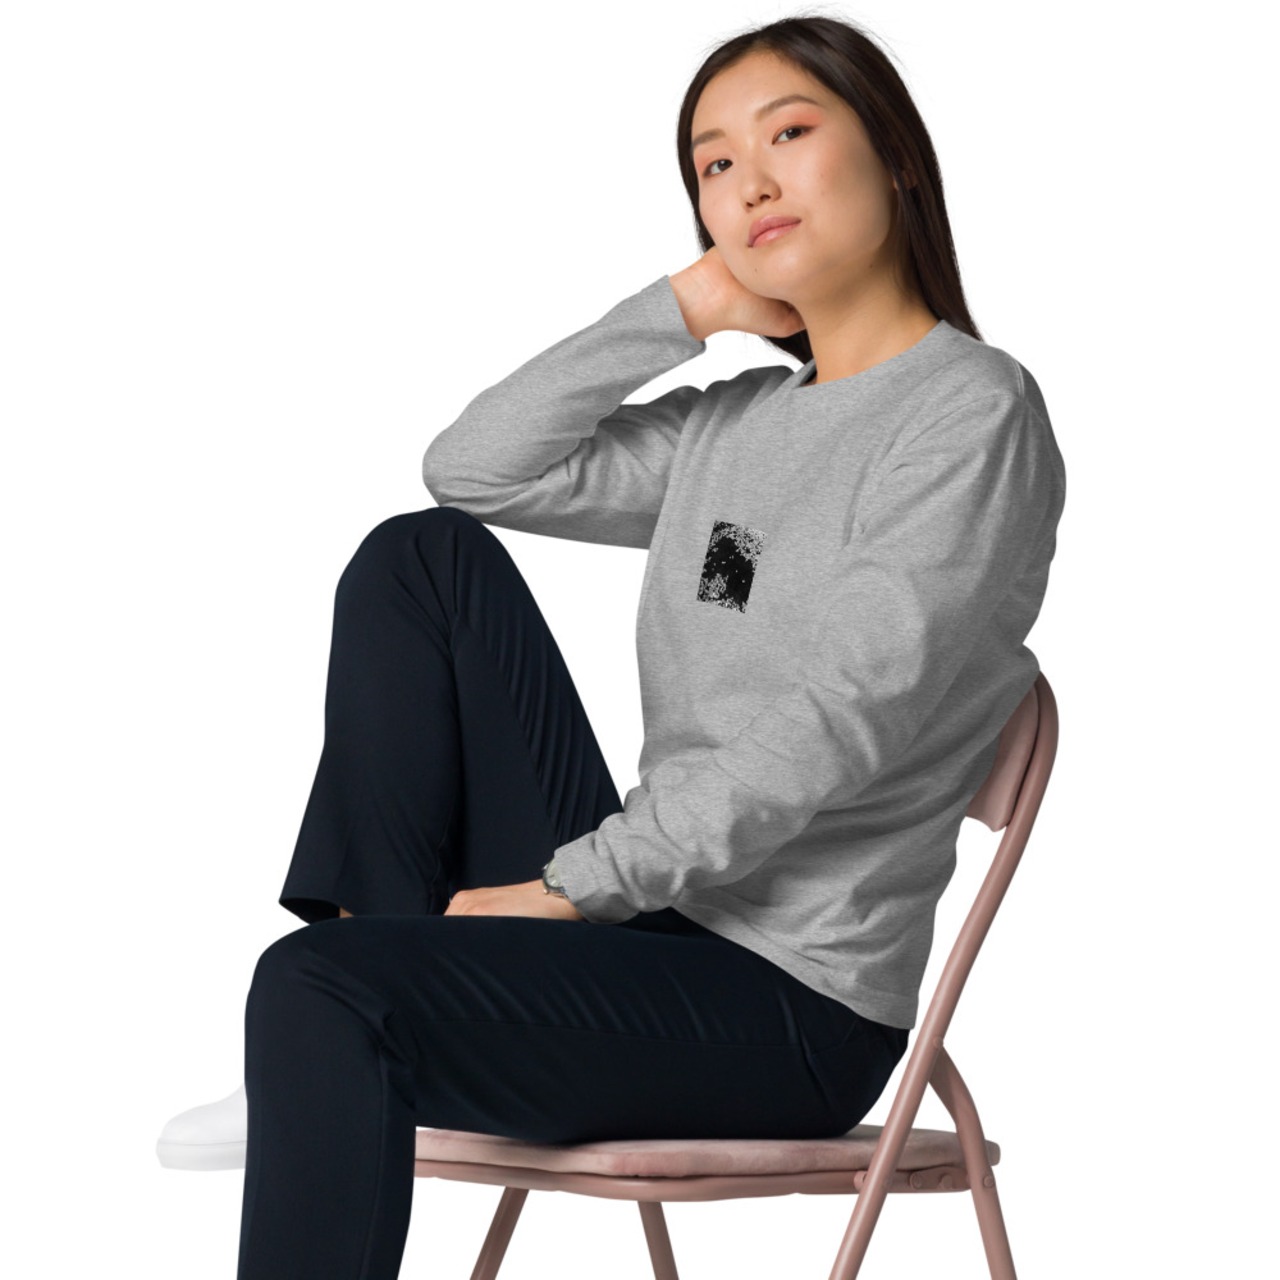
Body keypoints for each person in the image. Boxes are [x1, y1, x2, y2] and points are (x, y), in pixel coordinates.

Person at [156, 14, 1067, 1278]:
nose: (748, 182)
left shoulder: (968, 412)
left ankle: (341, 1020)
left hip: (787, 1003)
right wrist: (684, 309)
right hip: (648, 921)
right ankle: (359, 1000)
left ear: (895, 157)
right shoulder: (731, 423)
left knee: (315, 986)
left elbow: (833, 722)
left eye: (788, 135)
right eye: (713, 165)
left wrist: (572, 883)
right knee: (420, 560)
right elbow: (471, 469)